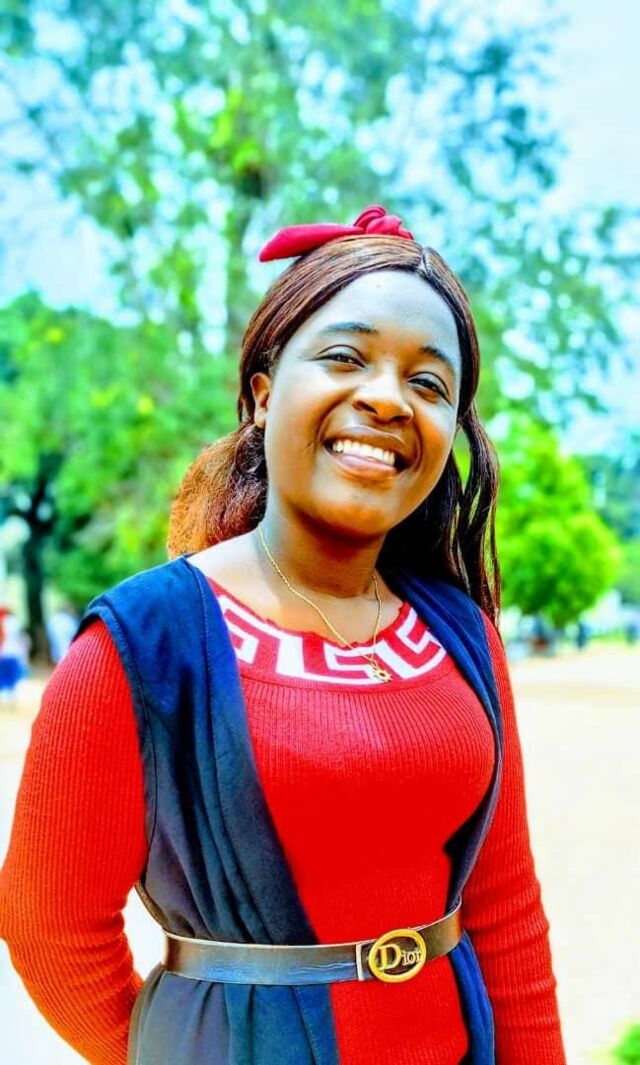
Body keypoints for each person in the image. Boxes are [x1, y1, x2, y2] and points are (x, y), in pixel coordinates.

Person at [0, 205, 566, 1064]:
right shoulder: (143, 646)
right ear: (264, 394)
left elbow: (505, 907)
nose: (387, 397)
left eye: (429, 382)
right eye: (345, 356)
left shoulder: (461, 633)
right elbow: (52, 932)